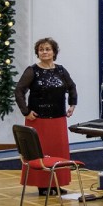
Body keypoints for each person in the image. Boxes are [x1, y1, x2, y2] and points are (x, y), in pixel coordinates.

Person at [14, 38, 77, 196]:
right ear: (38, 53)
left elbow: (72, 87)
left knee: (58, 152)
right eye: (41, 49)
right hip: (38, 121)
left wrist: (72, 105)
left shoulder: (61, 70)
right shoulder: (32, 71)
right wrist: (26, 111)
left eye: (48, 49)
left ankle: (57, 185)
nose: (44, 52)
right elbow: (19, 91)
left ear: (54, 52)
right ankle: (42, 186)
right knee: (41, 153)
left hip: (58, 120)